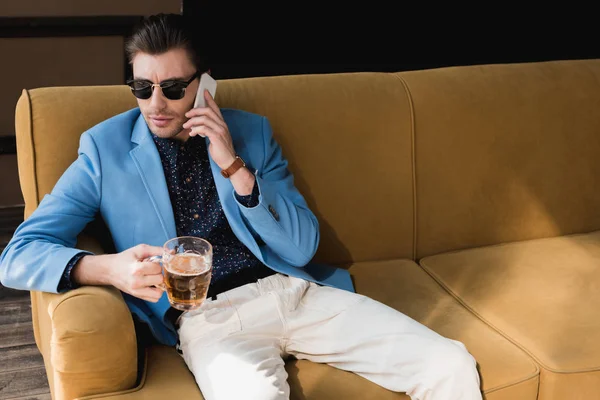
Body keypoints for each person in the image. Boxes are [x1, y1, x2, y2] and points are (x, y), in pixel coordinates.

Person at [0, 13, 482, 400]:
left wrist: (233, 164)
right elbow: (18, 255)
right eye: (142, 88)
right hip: (209, 320)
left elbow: (300, 245)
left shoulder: (251, 132)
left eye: (172, 88)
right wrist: (108, 270)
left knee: (450, 365)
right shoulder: (103, 150)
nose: (156, 105)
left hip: (295, 292)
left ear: (204, 83)